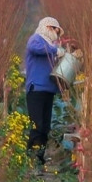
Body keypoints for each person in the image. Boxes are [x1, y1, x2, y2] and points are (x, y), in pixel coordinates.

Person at [22, 16, 65, 170]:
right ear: (48, 27)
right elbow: (35, 49)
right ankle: (30, 160)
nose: (57, 34)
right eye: (56, 30)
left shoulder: (49, 45)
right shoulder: (36, 39)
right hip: (36, 89)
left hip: (48, 90)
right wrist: (55, 50)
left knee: (45, 127)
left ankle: (39, 160)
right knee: (37, 125)